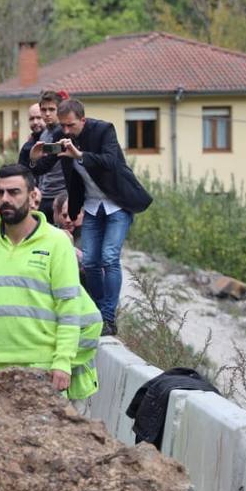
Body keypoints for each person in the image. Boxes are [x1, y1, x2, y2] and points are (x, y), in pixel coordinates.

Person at [0, 165, 101, 402]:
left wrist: (63, 361)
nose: (5, 199)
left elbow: (69, 306)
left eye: (14, 192)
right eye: (1, 193)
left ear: (34, 197)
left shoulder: (56, 243)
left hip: (42, 368)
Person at [31, 98, 153, 335]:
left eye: (71, 126)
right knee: (89, 262)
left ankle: (109, 317)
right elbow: (40, 169)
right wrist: (35, 157)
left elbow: (111, 161)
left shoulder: (103, 130)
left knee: (109, 257)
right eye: (63, 126)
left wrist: (80, 155)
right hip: (92, 206)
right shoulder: (62, 137)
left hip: (117, 204)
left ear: (83, 120)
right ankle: (97, 312)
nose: (66, 131)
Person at [23, 90, 68, 219]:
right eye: (44, 110)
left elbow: (47, 163)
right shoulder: (44, 134)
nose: (47, 114)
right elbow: (41, 167)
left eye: (52, 109)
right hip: (45, 194)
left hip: (62, 195)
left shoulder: (64, 132)